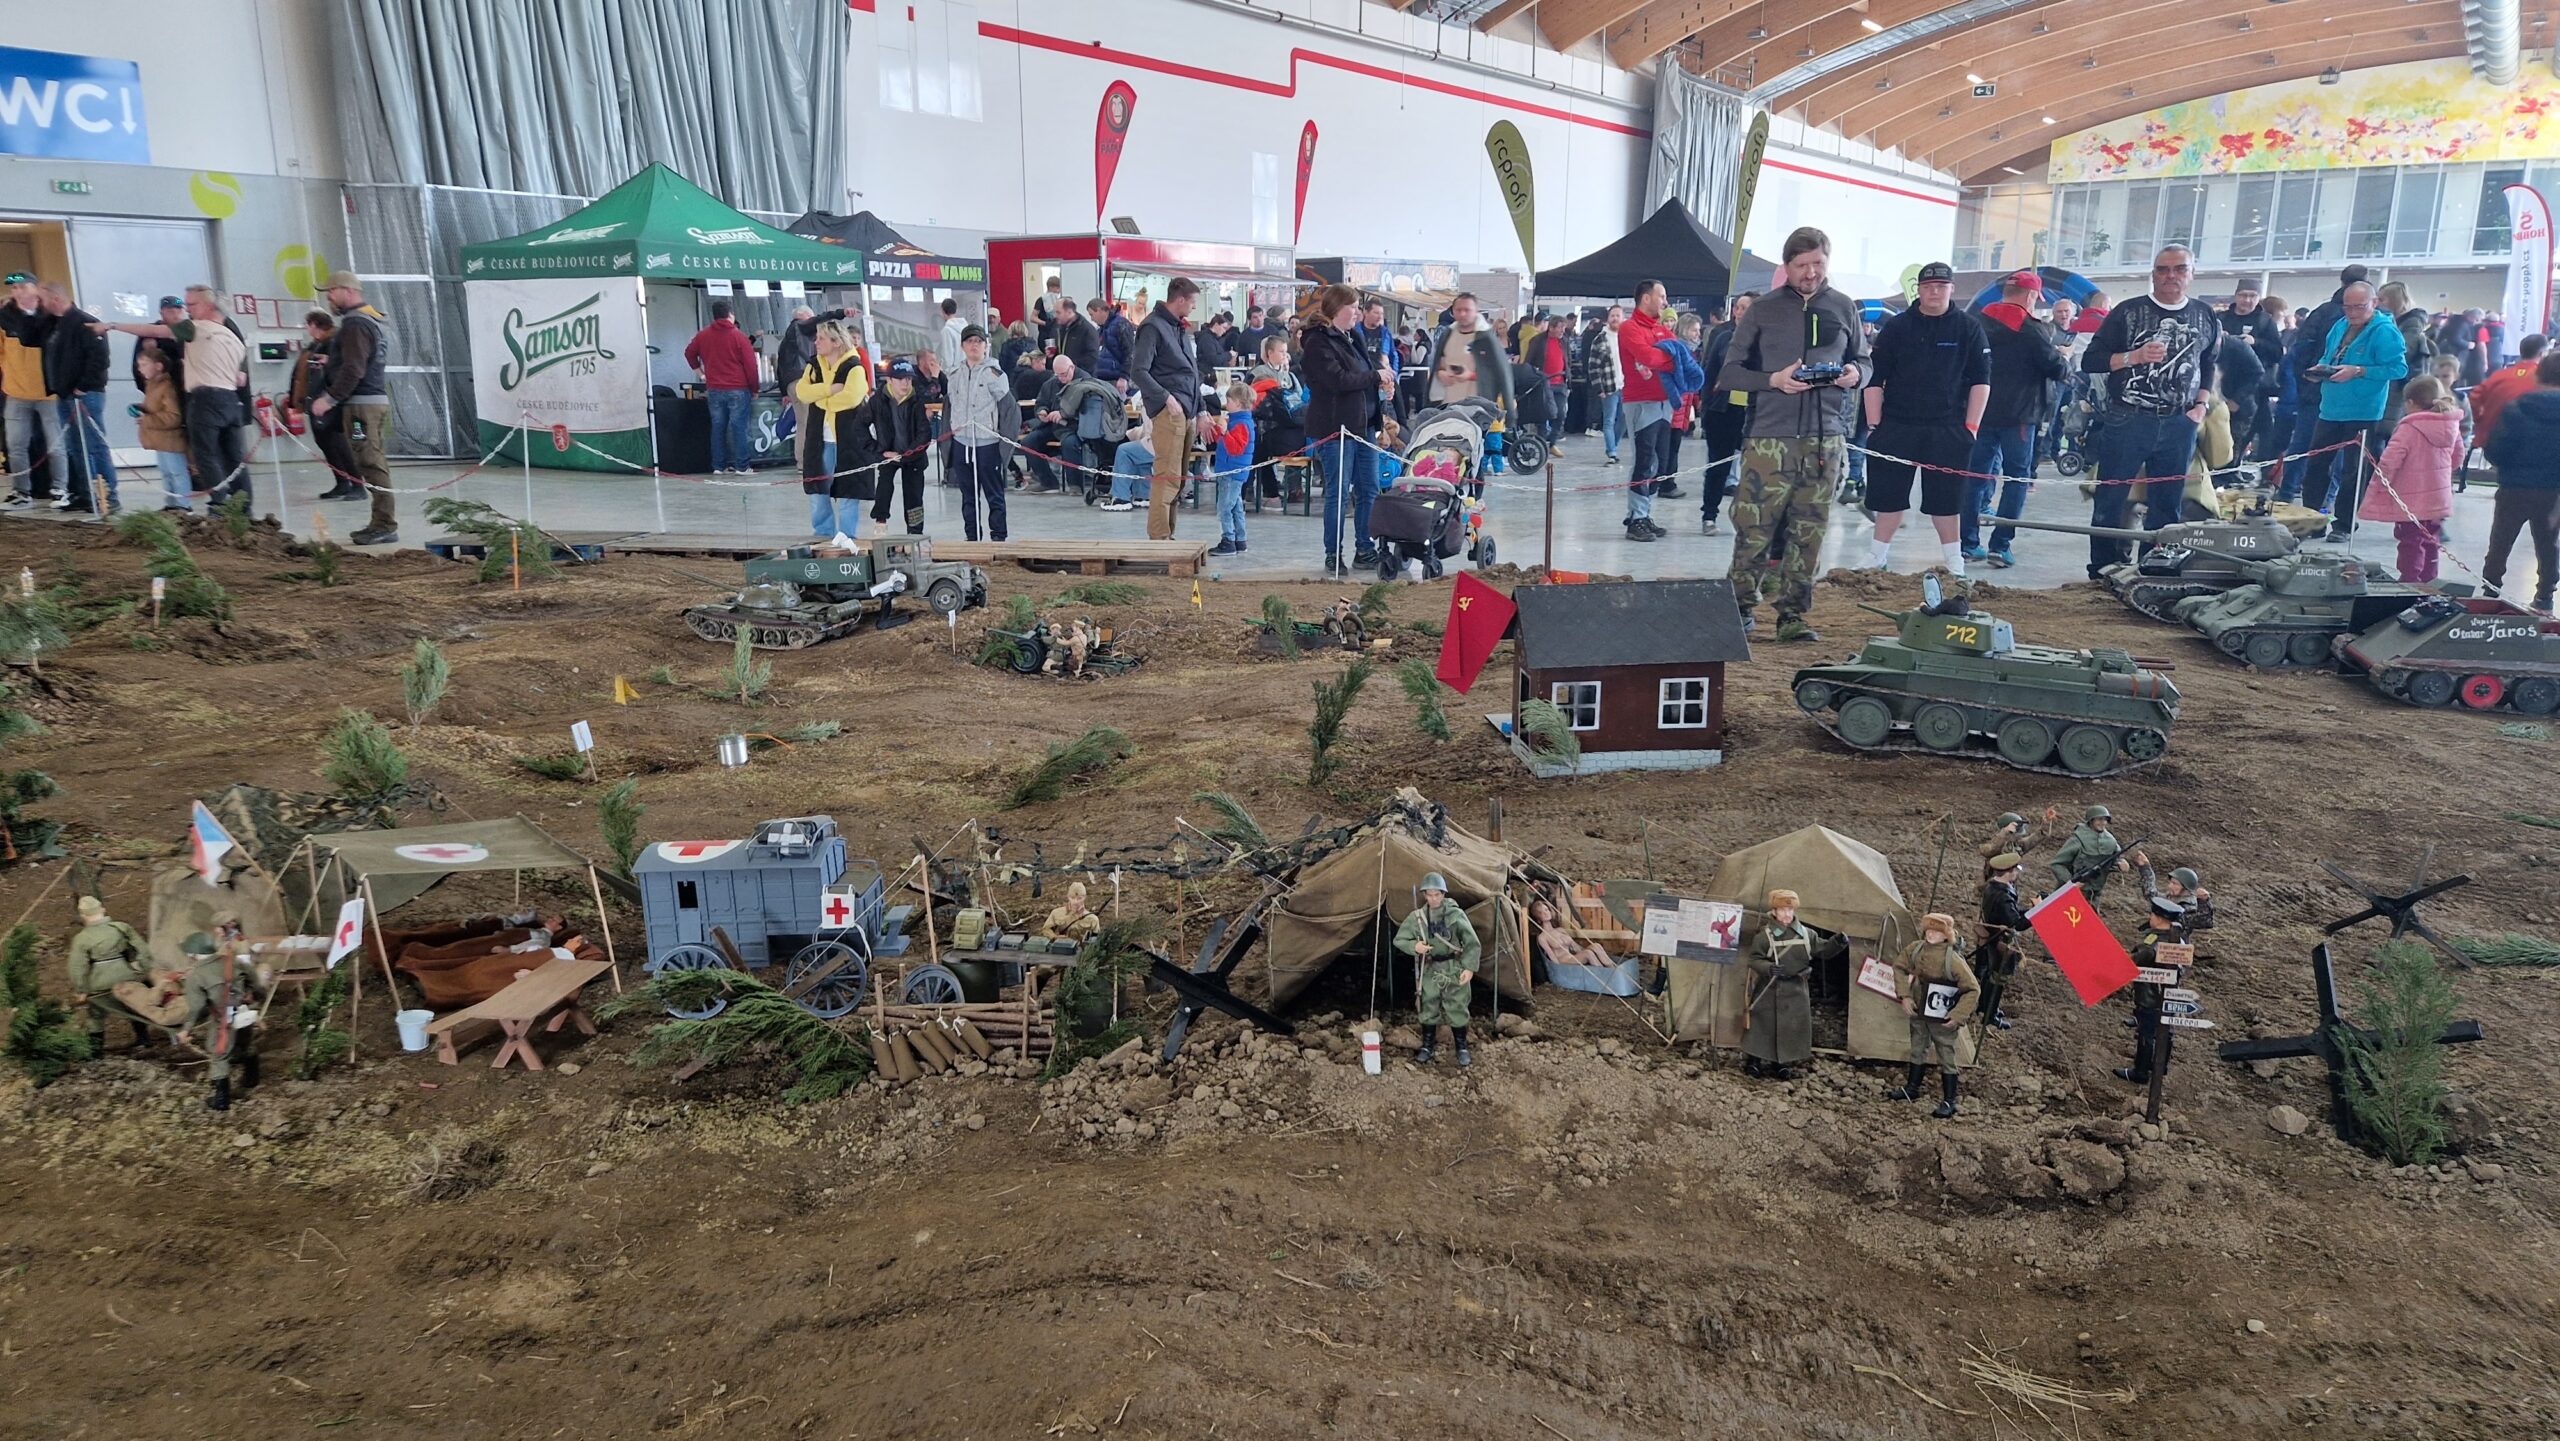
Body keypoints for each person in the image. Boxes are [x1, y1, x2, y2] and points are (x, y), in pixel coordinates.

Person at [1716, 226, 1870, 642]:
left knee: (1810, 529)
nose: (1811, 272)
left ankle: (1793, 615)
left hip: (1826, 439)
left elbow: (1864, 360)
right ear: (1787, 266)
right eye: (1802, 265)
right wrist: (1774, 380)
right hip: (1769, 438)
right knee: (1754, 527)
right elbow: (1729, 374)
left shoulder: (1844, 307)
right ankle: (1739, 609)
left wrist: (1856, 374)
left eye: (1818, 263)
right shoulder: (1763, 310)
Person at [2079, 244, 2218, 575]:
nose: (2170, 276)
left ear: (2192, 274)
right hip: (2127, 418)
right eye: (2162, 269)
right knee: (2111, 500)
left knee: (2168, 504)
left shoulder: (2205, 315)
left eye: (2179, 269)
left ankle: (2156, 570)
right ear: (2153, 274)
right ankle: (2102, 570)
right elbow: (2091, 360)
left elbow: (2208, 363)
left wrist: (2201, 404)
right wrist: (2133, 357)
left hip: (2180, 422)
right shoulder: (2127, 312)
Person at [1862, 261, 1991, 576]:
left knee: (1947, 501)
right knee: (1888, 497)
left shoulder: (1969, 327)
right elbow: (1874, 377)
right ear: (1918, 290)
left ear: (1951, 289)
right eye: (1928, 286)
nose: (1934, 292)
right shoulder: (1897, 327)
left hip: (1949, 428)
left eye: (1941, 286)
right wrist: (1874, 425)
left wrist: (1971, 427)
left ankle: (1954, 560)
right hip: (1896, 425)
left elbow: (1981, 380)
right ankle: (1876, 555)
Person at [100, 286, 251, 510]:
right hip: (230, 400)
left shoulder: (196, 328)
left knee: (206, 455)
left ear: (209, 306)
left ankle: (219, 505)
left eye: (192, 305)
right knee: (234, 459)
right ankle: (244, 507)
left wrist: (113, 325)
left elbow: (153, 330)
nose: (187, 310)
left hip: (205, 400)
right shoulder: (234, 338)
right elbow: (241, 379)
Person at [1968, 273, 2068, 566]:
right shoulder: (2031, 329)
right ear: (2031, 296)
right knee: (2016, 478)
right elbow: (2055, 368)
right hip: (2020, 416)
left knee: (1974, 477)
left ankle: (1967, 543)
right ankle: (2000, 545)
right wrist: (2063, 358)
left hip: (1980, 412)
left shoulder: (1976, 323)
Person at [2302, 281, 2406, 538]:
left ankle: (2344, 524)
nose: (2352, 312)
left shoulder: (2385, 331)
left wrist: (2359, 371)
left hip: (2364, 411)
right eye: (2347, 307)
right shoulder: (2340, 325)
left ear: (2374, 303)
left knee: (2354, 472)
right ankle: (2313, 520)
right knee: (2316, 465)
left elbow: (2398, 369)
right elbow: (2329, 355)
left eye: (2359, 307)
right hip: (2330, 408)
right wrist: (2321, 369)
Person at [1301, 283, 1386, 575]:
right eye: (1354, 307)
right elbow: (1338, 381)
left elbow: (1363, 374)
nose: (1358, 313)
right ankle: (1333, 553)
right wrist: (1374, 376)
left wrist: (1381, 387)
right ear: (1338, 308)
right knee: (1338, 493)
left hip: (1364, 427)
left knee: (1369, 489)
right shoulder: (1317, 342)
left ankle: (1365, 548)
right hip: (1336, 428)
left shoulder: (1354, 337)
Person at [311, 272, 396, 539]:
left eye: (331, 291)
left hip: (361, 409)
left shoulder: (355, 324)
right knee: (371, 459)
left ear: (348, 291)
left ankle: (384, 525)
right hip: (369, 403)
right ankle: (381, 522)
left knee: (368, 461)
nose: (328, 297)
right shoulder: (370, 320)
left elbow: (354, 368)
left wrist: (329, 399)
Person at [2477, 347, 2560, 613]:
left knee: (2500, 541)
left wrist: (2502, 464)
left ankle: (2490, 588)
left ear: (2538, 375)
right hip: (2553, 491)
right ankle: (2545, 596)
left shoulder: (2516, 408)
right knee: (2548, 544)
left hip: (2514, 486)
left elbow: (2497, 448)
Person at [2359, 374, 2461, 583]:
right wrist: (2443, 473)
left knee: (2409, 540)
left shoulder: (2409, 427)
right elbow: (2458, 454)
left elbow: (2390, 460)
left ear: (2411, 402)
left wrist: (2381, 483)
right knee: (2432, 538)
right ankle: (2430, 580)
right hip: (2439, 495)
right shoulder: (2450, 424)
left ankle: (2410, 580)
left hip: (2410, 498)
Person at [1132, 277, 1211, 541]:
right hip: (1170, 411)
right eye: (1192, 302)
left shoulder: (1177, 328)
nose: (1193, 307)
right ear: (1180, 299)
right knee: (1167, 477)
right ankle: (1159, 538)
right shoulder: (1152, 327)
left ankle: (1169, 536)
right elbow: (1138, 371)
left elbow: (1192, 373)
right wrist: (1165, 398)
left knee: (1178, 479)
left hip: (1186, 410)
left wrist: (1201, 410)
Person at [2279, 265, 2363, 504]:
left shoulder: (2322, 312)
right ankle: (2326, 500)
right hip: (2344, 395)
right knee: (2337, 452)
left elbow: (2301, 349)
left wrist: (2305, 379)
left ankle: (2287, 494)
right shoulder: (2370, 317)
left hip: (2316, 390)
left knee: (2303, 444)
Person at [1887, 912, 1979, 1119]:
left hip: (1941, 1013)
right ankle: (1912, 1088)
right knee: (1917, 1047)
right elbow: (1899, 967)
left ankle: (1949, 1100)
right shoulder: (1916, 949)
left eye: (1936, 932)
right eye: (1928, 930)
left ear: (1946, 935)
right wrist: (1905, 995)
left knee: (1946, 1054)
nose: (1931, 934)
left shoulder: (1952, 959)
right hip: (1919, 1007)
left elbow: (1973, 989)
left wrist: (1957, 1015)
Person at [1741, 888, 1835, 1080]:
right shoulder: (1765, 936)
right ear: (1774, 911)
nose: (1787, 914)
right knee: (1762, 1026)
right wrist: (1768, 968)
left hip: (1796, 989)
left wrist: (1838, 942)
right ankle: (1754, 1061)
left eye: (1790, 910)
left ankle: (1782, 1063)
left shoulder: (1806, 934)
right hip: (1770, 987)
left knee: (1789, 1027)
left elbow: (1823, 950)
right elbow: (1754, 959)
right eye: (1783, 910)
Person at [35, 283, 112, 514]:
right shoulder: (53, 325)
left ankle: (108, 496)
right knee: (74, 447)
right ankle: (84, 493)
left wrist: (83, 386)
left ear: (56, 299)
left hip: (85, 394)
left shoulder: (85, 322)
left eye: (42, 300)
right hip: (64, 394)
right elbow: (27, 335)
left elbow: (99, 359)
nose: (40, 305)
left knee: (94, 445)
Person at [794, 319, 874, 540]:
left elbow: (852, 397)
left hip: (848, 439)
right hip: (819, 439)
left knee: (849, 487)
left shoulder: (854, 366)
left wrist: (820, 398)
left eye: (821, 338)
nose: (816, 342)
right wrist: (830, 390)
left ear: (836, 342)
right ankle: (823, 532)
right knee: (818, 487)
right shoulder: (813, 366)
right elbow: (802, 392)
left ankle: (846, 535)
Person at [1392, 872, 1479, 1068]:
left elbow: (1472, 942)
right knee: (1428, 1004)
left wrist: (1469, 967)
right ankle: (1427, 1046)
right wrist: (1415, 946)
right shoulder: (1418, 918)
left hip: (1453, 966)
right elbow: (1400, 939)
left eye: (1437, 894)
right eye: (1429, 895)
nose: (1433, 899)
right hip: (1430, 967)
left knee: (1457, 1005)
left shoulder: (1456, 915)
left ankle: (1461, 1047)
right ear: (1424, 895)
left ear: (1443, 894)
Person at [1617, 280, 1680, 541]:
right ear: (1646, 298)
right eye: (1661, 296)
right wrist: (1669, 357)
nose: (1665, 302)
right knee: (1644, 461)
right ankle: (1636, 518)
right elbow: (1650, 358)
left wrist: (1668, 357)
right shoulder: (1629, 328)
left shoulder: (1662, 330)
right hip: (1641, 403)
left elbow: (1681, 357)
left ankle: (1644, 514)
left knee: (1660, 463)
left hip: (1665, 403)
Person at [945, 324, 1016, 542]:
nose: (974, 345)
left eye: (978, 341)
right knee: (968, 495)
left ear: (986, 346)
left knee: (994, 494)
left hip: (988, 444)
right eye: (969, 341)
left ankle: (998, 537)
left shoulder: (995, 374)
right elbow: (949, 407)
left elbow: (1009, 410)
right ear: (962, 346)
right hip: (962, 443)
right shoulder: (954, 375)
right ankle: (972, 538)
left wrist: (1005, 444)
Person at [0, 272, 65, 509]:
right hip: (16, 391)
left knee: (56, 445)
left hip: (49, 392)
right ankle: (21, 492)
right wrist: (10, 372)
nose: (18, 292)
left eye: (23, 287)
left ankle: (60, 488)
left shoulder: (50, 314)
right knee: (16, 446)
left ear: (36, 289)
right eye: (14, 288)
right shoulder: (4, 317)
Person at [174, 931, 258, 1112]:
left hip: (223, 1019)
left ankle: (221, 1099)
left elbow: (196, 1007)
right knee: (245, 1043)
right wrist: (254, 997)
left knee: (218, 1053)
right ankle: (252, 1078)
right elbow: (255, 980)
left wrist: (186, 1030)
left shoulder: (196, 975)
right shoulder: (234, 962)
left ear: (193, 954)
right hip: (245, 1012)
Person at [66, 895, 156, 1057]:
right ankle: (144, 1040)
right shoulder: (121, 928)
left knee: (96, 1015)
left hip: (100, 983)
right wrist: (147, 970)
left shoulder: (82, 938)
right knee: (133, 1007)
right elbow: (143, 950)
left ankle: (96, 1052)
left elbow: (77, 967)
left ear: (83, 915)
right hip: (125, 976)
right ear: (102, 910)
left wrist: (81, 990)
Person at [2114, 894, 2189, 1085]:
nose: (2150, 917)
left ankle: (2140, 1072)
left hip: (2150, 997)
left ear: (2159, 918)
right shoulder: (2179, 939)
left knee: (2146, 1034)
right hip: (2170, 994)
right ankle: (2160, 1066)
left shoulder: (2152, 942)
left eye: (2152, 915)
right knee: (2166, 1030)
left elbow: (2133, 961)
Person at [684, 299, 761, 476]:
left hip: (714, 388)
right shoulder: (739, 337)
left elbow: (689, 353)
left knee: (718, 428)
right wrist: (755, 388)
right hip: (738, 388)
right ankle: (742, 466)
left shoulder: (703, 335)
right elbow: (751, 366)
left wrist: (701, 374)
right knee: (739, 428)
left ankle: (718, 466)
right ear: (730, 315)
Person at [857, 356, 932, 535]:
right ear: (889, 380)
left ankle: (915, 533)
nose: (905, 383)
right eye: (900, 379)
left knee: (914, 496)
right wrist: (877, 450)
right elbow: (859, 426)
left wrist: (907, 454)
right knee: (884, 488)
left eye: (908, 379)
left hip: (913, 456)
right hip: (887, 453)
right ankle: (880, 523)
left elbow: (924, 433)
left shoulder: (918, 400)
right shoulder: (877, 400)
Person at [1695, 296, 1748, 528]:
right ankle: (1709, 515)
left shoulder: (1768, 339)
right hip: (1723, 410)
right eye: (1739, 307)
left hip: (1755, 413)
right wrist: (1706, 405)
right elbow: (1709, 372)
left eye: (1747, 308)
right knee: (1717, 466)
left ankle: (1748, 520)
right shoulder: (1723, 337)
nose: (1741, 312)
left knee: (1755, 470)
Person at [1427, 291, 1514, 420]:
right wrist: (1440, 373)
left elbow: (1501, 372)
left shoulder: (1486, 338)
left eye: (1467, 310)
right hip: (1447, 406)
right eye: (1459, 310)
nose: (1462, 314)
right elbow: (1439, 362)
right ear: (1453, 311)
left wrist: (1510, 413)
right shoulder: (1447, 334)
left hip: (1477, 409)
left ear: (1476, 311)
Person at [2221, 281, 2284, 451]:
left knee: (2242, 436)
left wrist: (2256, 342)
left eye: (2252, 296)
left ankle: (2240, 462)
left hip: (2253, 387)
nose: (2247, 300)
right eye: (2243, 295)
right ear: (2236, 296)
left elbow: (2277, 353)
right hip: (2221, 383)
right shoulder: (2222, 319)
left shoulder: (2265, 321)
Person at [1248, 334, 1308, 502]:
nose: (1285, 355)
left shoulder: (1289, 376)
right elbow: (1251, 402)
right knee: (1261, 448)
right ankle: (1264, 489)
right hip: (1265, 427)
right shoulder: (1257, 374)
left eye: (1285, 351)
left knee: (1298, 439)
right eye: (1281, 351)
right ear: (1270, 353)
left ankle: (1295, 489)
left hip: (1289, 425)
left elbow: (1299, 400)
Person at [1977, 853, 2033, 1030]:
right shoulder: (2002, 896)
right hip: (2001, 942)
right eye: (2015, 870)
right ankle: (1990, 1015)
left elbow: (2013, 913)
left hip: (1992, 939)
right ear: (2009, 872)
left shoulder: (1994, 887)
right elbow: (2016, 923)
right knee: (1998, 979)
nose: (2017, 873)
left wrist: (2030, 910)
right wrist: (2036, 912)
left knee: (1990, 975)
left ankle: (1985, 1006)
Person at [135, 350, 193, 514]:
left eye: (144, 365)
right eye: (139, 365)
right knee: (166, 473)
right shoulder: (151, 385)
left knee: (177, 473)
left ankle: (184, 505)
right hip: (159, 440)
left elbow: (174, 416)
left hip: (171, 440)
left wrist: (148, 419)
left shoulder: (167, 387)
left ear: (158, 366)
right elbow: (155, 408)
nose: (140, 369)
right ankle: (171, 504)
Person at [1208, 381, 1256, 557]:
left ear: (1238, 403)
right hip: (1230, 470)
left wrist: (1225, 432)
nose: (1226, 404)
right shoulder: (1237, 421)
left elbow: (1236, 448)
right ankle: (1240, 540)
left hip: (1232, 471)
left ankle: (1228, 539)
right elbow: (1222, 441)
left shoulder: (1241, 424)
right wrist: (1219, 430)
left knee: (1225, 507)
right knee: (1235, 507)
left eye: (1228, 401)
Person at [2047, 803, 2130, 902]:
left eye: (2105, 819)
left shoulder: (2110, 840)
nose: (2103, 823)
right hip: (2071, 893)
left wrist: (2121, 863)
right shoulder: (2078, 839)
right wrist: (2070, 883)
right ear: (2091, 820)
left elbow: (2115, 857)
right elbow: (2057, 864)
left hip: (2094, 894)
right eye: (2099, 819)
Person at [2130, 854, 2215, 933]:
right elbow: (2150, 894)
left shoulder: (2190, 908)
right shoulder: (2170, 898)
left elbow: (2204, 922)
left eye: (2175, 884)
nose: (2170, 886)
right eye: (2170, 882)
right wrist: (2145, 868)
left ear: (2186, 888)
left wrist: (2204, 902)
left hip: (2173, 942)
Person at [1099, 419, 1153, 512]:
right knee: (1139, 453)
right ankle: (1143, 495)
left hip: (1161, 444)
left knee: (1124, 451)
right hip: (1166, 442)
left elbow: (1151, 427)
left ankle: (1120, 498)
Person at [773, 305, 819, 396]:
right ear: (807, 316)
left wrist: (784, 391)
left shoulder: (786, 339)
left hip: (791, 383)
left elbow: (781, 366)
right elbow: (811, 358)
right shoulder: (803, 333)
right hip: (803, 379)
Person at [1038, 881, 1103, 944]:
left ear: (1085, 897)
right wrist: (1055, 937)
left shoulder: (1092, 919)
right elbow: (1045, 929)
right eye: (1072, 898)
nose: (1075, 902)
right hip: (1062, 947)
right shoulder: (1056, 913)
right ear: (1068, 897)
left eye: (1079, 898)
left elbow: (1096, 941)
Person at [1056, 294, 1100, 376]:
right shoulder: (1061, 328)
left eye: (1058, 312)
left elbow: (1092, 357)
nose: (1056, 316)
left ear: (1069, 312)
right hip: (1063, 375)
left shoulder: (1087, 330)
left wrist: (1072, 366)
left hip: (1081, 377)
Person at [936, 296, 966, 376]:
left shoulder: (947, 330)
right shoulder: (965, 327)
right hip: (966, 370)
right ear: (955, 310)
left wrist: (945, 372)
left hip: (954, 373)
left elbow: (948, 357)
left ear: (942, 311)